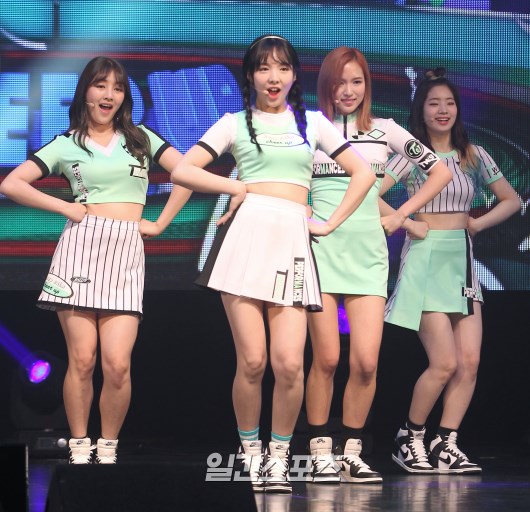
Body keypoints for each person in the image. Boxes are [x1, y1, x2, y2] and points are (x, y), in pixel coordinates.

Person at [171, 35, 376, 493]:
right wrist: (237, 188)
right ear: (250, 75)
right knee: (253, 361)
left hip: (292, 243)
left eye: (282, 67)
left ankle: (279, 458)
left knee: (289, 364)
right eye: (264, 68)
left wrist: (328, 223)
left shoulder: (314, 123)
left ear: (294, 75)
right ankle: (251, 454)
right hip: (244, 241)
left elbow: (363, 173)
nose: (273, 77)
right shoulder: (233, 123)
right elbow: (183, 169)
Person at [0, 56, 193, 464]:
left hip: (125, 253)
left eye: (118, 88)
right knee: (83, 360)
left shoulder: (140, 138)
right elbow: (13, 183)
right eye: (101, 85)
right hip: (80, 251)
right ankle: (79, 446)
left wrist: (161, 223)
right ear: (85, 91)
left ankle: (107, 448)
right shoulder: (66, 143)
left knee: (117, 364)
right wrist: (64, 207)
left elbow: (188, 174)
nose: (109, 95)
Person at [306, 47, 452, 484]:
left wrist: (400, 215)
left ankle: (352, 453)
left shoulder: (385, 130)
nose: (348, 90)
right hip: (319, 252)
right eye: (339, 82)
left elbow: (440, 171)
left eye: (357, 81)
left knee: (367, 362)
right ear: (326, 85)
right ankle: (320, 451)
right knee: (327, 359)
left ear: (367, 86)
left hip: (368, 258)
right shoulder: (310, 128)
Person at [382, 67, 520, 473]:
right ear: (421, 110)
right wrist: (407, 223)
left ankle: (446, 443)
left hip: (462, 262)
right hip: (424, 259)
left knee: (469, 362)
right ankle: (409, 438)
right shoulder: (411, 154)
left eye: (449, 103)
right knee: (443, 363)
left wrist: (476, 224)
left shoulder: (473, 155)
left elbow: (511, 200)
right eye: (433, 103)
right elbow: (367, 193)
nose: (443, 110)